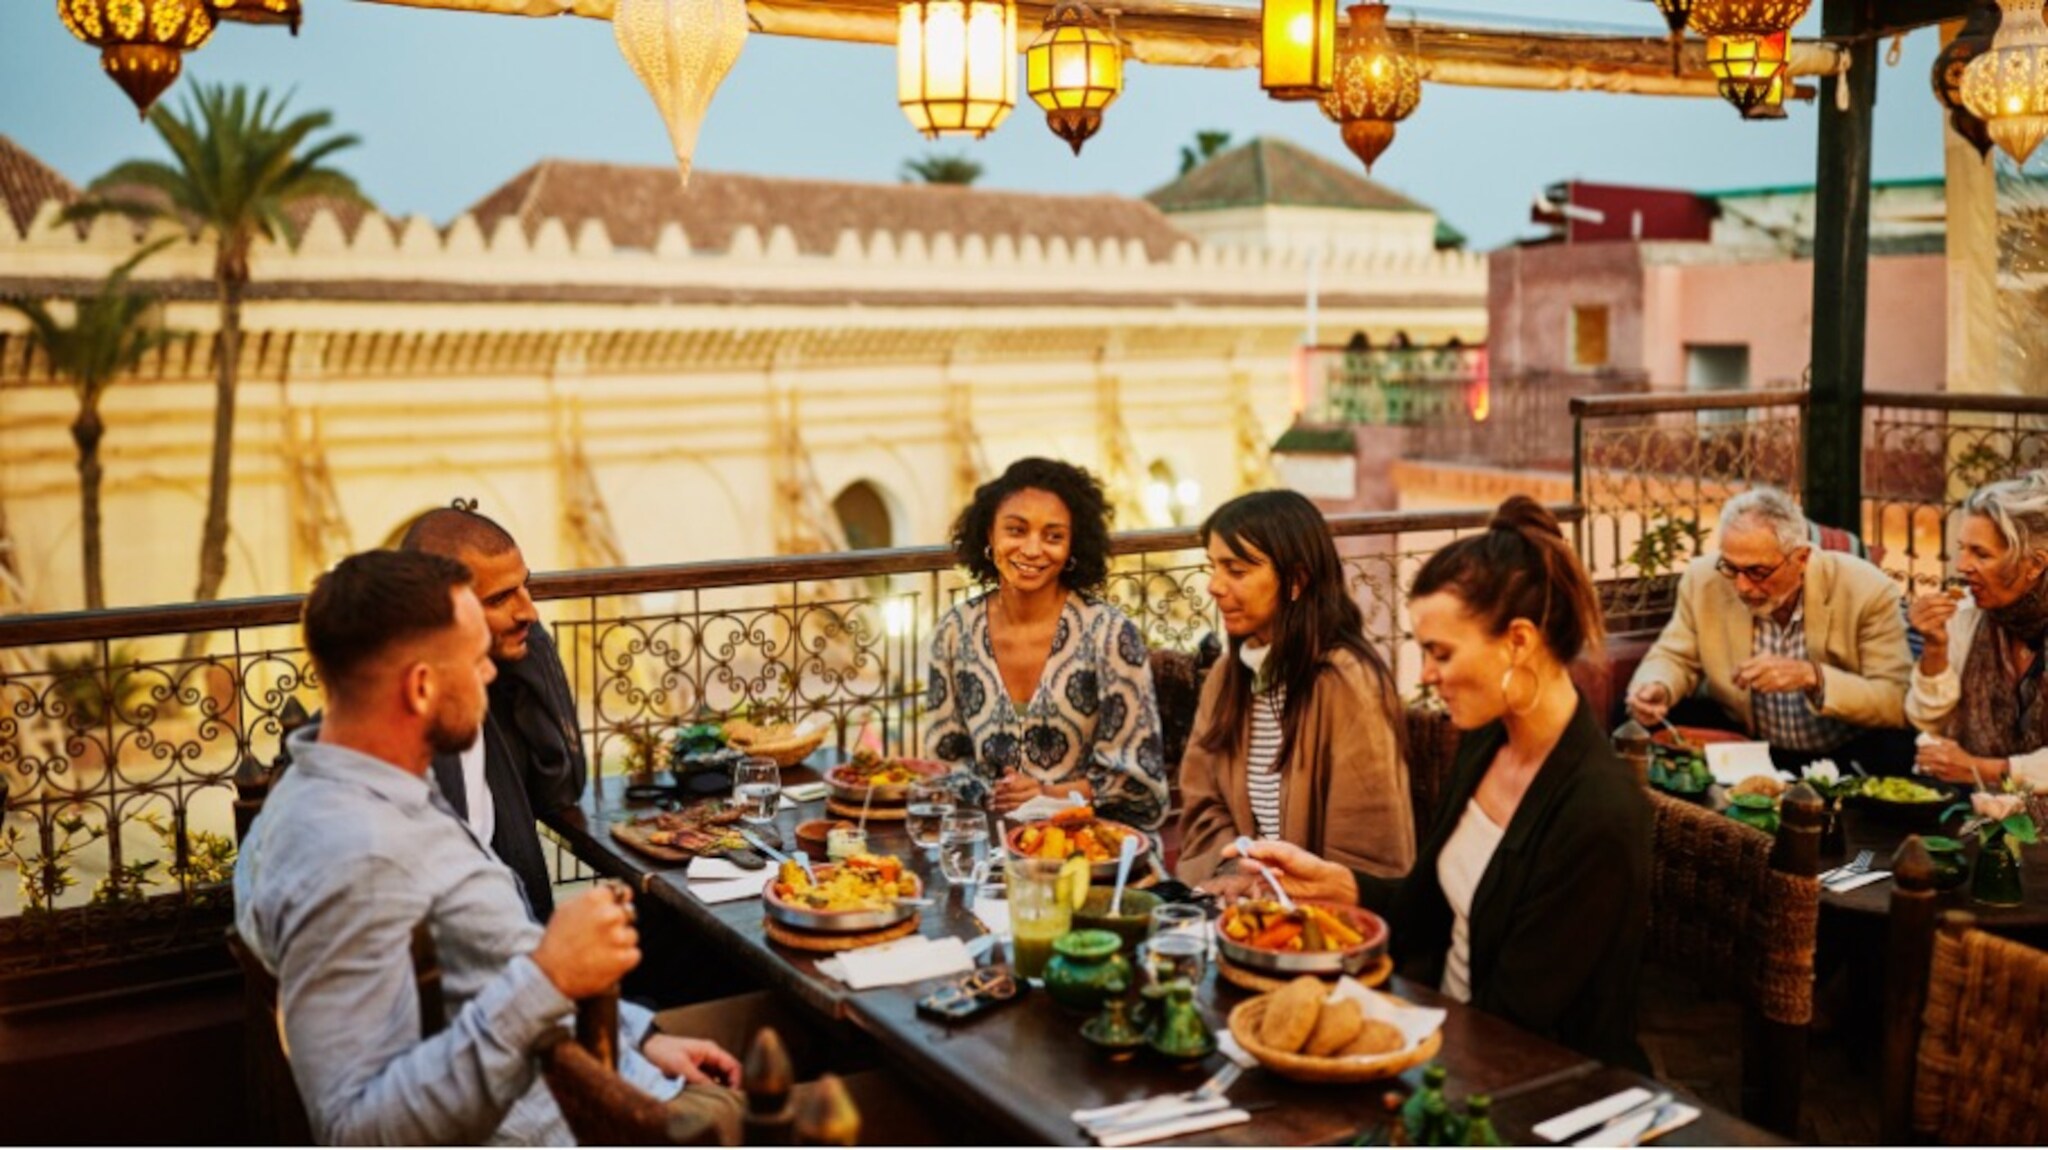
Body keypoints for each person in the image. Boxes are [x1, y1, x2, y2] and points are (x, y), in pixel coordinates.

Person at [234, 550, 743, 1145]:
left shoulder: (352, 781)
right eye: (475, 661)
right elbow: (355, 1130)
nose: (491, 675)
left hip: (611, 1064)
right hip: (586, 1121)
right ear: (421, 686)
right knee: (862, 1084)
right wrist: (549, 974)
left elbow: (490, 963)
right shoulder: (357, 855)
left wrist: (643, 1037)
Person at [1229, 496, 1652, 1070]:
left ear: (1519, 641)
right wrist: (1332, 884)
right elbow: (1422, 911)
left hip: (1532, 1089)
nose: (1426, 675)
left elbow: (1520, 1026)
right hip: (1441, 1034)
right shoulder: (1486, 742)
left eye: (1440, 653)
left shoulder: (1597, 810)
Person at [1175, 489, 1416, 888]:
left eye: (1235, 571)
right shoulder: (1228, 676)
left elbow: (1368, 849)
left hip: (1318, 921)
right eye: (1213, 567)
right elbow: (1203, 803)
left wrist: (1283, 896)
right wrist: (1236, 874)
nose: (1214, 586)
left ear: (1296, 581)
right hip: (1239, 902)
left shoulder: (1346, 683)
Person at [923, 458, 1170, 829]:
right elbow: (944, 762)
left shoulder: (1109, 634)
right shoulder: (955, 631)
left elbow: (1140, 782)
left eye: (1053, 536)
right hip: (987, 846)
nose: (1033, 549)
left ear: (1073, 546)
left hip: (1094, 848)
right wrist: (995, 795)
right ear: (989, 534)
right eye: (1016, 530)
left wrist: (1046, 796)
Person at [1626, 487, 1914, 773]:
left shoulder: (1866, 589)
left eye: (1758, 572)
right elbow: (1675, 656)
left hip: (1840, 753)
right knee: (1629, 721)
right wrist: (1657, 686)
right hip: (1746, 743)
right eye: (1731, 567)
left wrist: (1813, 677)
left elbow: (1894, 699)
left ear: (1801, 558)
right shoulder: (1705, 579)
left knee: (1898, 749)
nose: (1742, 586)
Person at [400, 501, 586, 920]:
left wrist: (528, 644)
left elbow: (561, 787)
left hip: (517, 944)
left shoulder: (489, 689)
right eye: (501, 598)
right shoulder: (422, 733)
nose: (530, 611)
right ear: (442, 613)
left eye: (526, 587)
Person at [1906, 471, 2048, 791]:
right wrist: (1935, 647)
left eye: (1981, 554)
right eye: (1963, 549)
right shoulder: (1968, 615)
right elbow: (1926, 720)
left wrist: (1983, 769)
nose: (1962, 565)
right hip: (1979, 816)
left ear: (2035, 565)